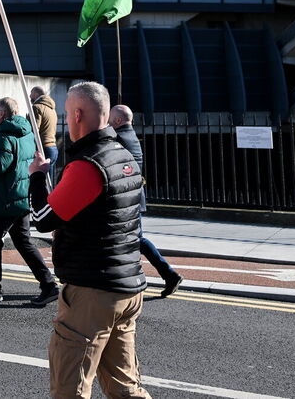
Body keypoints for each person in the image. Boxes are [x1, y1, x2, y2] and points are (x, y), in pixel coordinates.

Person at [30, 82, 151, 399]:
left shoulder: (89, 165)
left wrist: (37, 176)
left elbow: (43, 219)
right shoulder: (123, 156)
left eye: (66, 114)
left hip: (93, 291)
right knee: (125, 389)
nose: (65, 120)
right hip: (126, 286)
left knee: (69, 389)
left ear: (78, 114)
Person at [0, 97, 58, 306]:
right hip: (20, 196)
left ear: (4, 114)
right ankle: (49, 284)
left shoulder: (4, 135)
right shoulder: (26, 133)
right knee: (24, 242)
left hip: (3, 200)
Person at [110, 104, 183, 297]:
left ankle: (167, 274)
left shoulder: (118, 139)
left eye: (110, 117)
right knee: (133, 240)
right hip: (134, 196)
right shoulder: (131, 135)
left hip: (127, 199)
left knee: (134, 239)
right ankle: (165, 275)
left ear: (117, 120)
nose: (107, 121)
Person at [30, 86, 58, 178]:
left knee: (40, 183)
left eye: (31, 93)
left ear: (36, 94)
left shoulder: (37, 107)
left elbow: (34, 129)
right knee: (50, 184)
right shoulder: (52, 109)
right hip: (53, 148)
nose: (30, 96)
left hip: (43, 148)